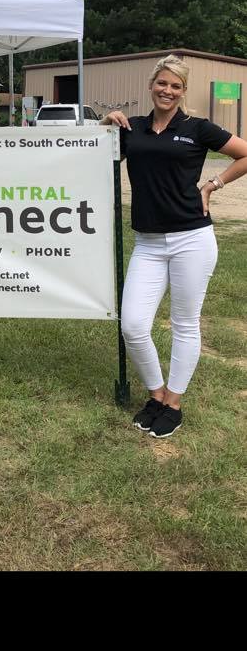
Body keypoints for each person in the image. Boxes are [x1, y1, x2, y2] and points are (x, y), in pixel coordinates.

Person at [101, 55, 247, 437]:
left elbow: (244, 153)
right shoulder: (132, 128)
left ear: (183, 91)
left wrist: (213, 186)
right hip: (147, 243)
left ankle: (174, 403)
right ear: (152, 85)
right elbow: (96, 156)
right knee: (132, 324)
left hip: (191, 240)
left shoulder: (198, 128)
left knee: (185, 323)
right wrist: (103, 126)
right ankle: (156, 394)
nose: (168, 91)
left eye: (176, 86)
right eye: (162, 83)